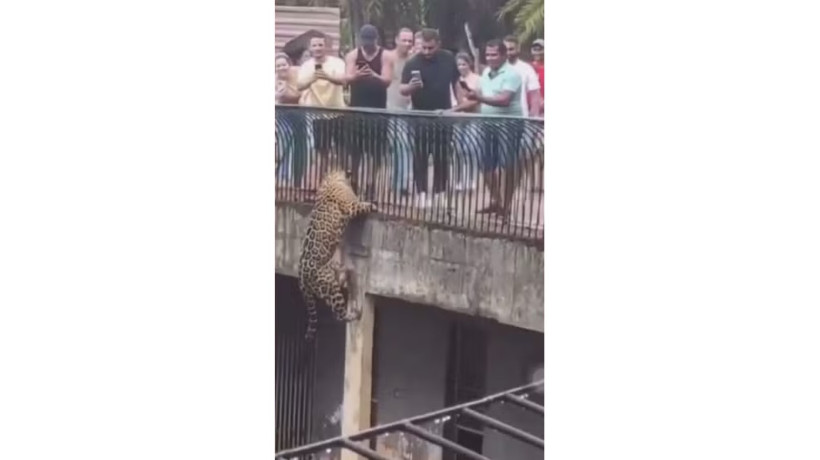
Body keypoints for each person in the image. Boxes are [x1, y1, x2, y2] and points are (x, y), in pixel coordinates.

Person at [400, 28, 459, 208]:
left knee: (442, 155)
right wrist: (411, 87)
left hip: (443, 115)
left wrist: (460, 106)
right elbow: (402, 90)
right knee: (421, 156)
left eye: (430, 48)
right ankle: (422, 192)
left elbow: (456, 83)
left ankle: (440, 192)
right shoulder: (412, 63)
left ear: (438, 45)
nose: (426, 52)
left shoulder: (449, 58)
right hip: (421, 116)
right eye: (424, 48)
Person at [464, 39, 523, 220]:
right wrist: (454, 109)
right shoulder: (486, 72)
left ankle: (506, 205)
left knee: (508, 165)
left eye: (494, 54)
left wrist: (479, 98)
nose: (489, 58)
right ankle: (497, 202)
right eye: (487, 54)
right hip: (487, 123)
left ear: (504, 55)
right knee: (486, 164)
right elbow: (477, 98)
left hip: (508, 125)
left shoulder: (512, 74)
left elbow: (504, 99)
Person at [344, 24, 394, 199]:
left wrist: (374, 75)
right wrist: (357, 76)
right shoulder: (353, 55)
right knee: (354, 151)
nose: (367, 45)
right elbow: (347, 78)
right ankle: (354, 183)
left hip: (377, 108)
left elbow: (388, 80)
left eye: (370, 41)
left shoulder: (385, 55)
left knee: (375, 151)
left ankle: (371, 184)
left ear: (376, 40)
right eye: (364, 41)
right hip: (357, 108)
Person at [296, 33, 347, 180]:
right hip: (317, 114)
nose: (318, 48)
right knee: (322, 150)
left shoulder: (337, 62)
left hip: (337, 112)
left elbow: (344, 81)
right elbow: (299, 86)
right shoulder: (306, 66)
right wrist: (314, 77)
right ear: (310, 48)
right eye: (314, 45)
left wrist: (327, 76)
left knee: (341, 149)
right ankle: (323, 180)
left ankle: (341, 178)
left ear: (326, 47)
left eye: (320, 45)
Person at [385, 27, 415, 198]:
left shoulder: (413, 60)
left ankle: (402, 184)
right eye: (404, 40)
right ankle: (398, 182)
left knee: (404, 146)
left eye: (409, 41)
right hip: (389, 106)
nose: (407, 44)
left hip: (408, 108)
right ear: (396, 40)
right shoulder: (388, 58)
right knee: (398, 147)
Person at [449, 52, 482, 192]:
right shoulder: (456, 80)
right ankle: (459, 179)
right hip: (459, 118)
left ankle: (471, 179)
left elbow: (476, 99)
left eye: (464, 64)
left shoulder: (477, 79)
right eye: (459, 65)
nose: (461, 67)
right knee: (458, 150)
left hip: (473, 116)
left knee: (471, 149)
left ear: (469, 64)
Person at [275, 54, 304, 187]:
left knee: (297, 147)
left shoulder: (298, 73)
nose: (282, 68)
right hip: (281, 115)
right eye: (278, 66)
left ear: (289, 64)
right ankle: (282, 177)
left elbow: (300, 93)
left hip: (299, 114)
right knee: (282, 145)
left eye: (284, 64)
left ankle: (294, 178)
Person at [503, 35, 542, 117]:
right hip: (497, 118)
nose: (508, 52)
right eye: (505, 49)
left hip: (520, 118)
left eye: (511, 49)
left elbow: (535, 95)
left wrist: (533, 117)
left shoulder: (527, 69)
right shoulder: (497, 68)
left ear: (518, 49)